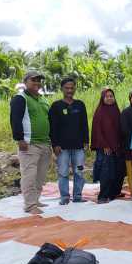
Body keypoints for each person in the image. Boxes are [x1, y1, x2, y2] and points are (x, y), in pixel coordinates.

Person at [10, 70, 52, 214]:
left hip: (45, 143)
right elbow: (15, 120)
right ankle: (29, 205)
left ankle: (36, 199)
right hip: (29, 144)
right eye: (33, 80)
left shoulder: (43, 99)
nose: (37, 83)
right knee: (29, 175)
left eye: (39, 80)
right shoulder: (20, 98)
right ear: (26, 81)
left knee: (40, 175)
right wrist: (19, 139)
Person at [48, 77, 89, 205]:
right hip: (62, 148)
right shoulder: (56, 106)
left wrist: (86, 141)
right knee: (63, 172)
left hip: (78, 147)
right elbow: (52, 127)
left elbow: (84, 124)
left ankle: (77, 196)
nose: (70, 90)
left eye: (72, 88)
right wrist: (55, 144)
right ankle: (64, 197)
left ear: (75, 88)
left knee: (79, 172)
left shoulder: (80, 105)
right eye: (67, 88)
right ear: (62, 89)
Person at [91, 88, 124, 204]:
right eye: (107, 96)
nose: (110, 98)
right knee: (106, 172)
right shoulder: (100, 111)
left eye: (111, 96)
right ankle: (102, 196)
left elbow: (119, 129)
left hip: (117, 147)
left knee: (117, 171)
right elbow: (97, 130)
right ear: (103, 98)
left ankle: (113, 193)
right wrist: (104, 145)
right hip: (105, 147)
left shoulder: (116, 110)